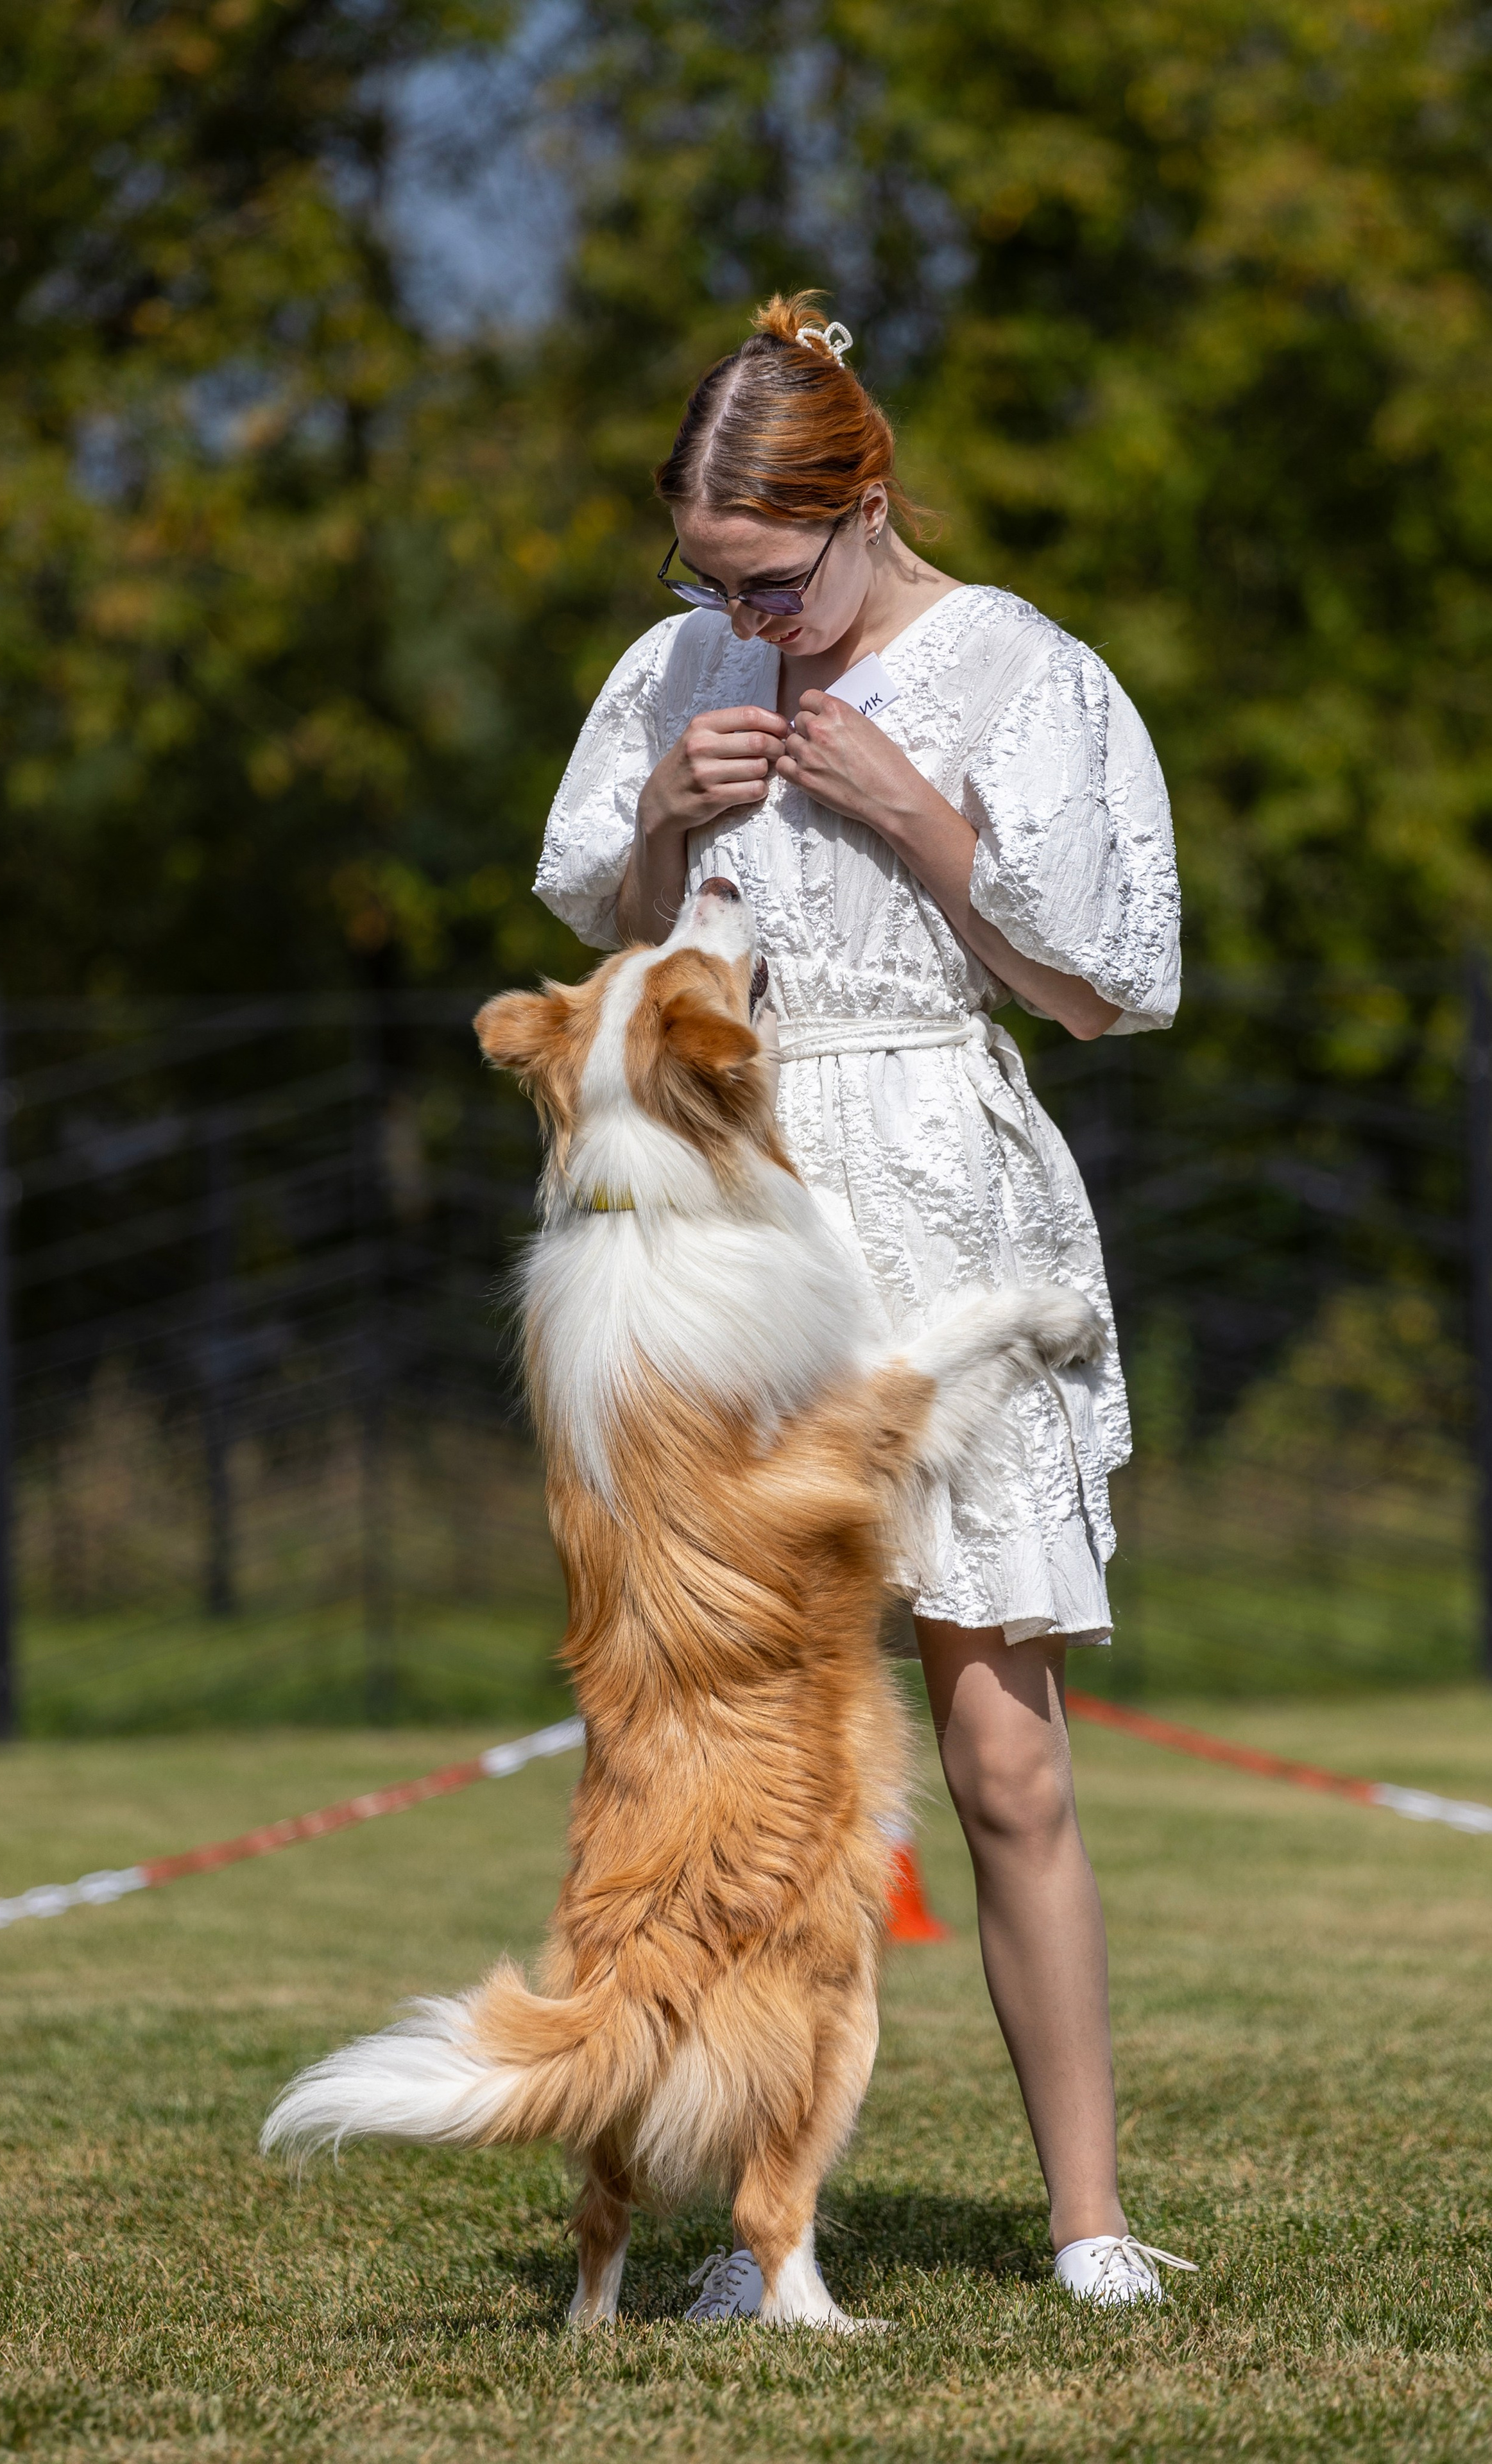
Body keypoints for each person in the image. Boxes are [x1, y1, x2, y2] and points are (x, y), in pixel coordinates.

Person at [532, 293, 1190, 2314]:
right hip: (730, 1236)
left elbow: (1104, 991)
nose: (744, 613)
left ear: (867, 503)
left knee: (1004, 1756)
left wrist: (922, 814)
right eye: (708, 578)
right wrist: (663, 823)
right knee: (743, 1763)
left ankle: (1085, 2222)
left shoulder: (1025, 673)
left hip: (938, 1197)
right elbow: (618, 956)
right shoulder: (680, 674)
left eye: (770, 576)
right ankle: (761, 2224)